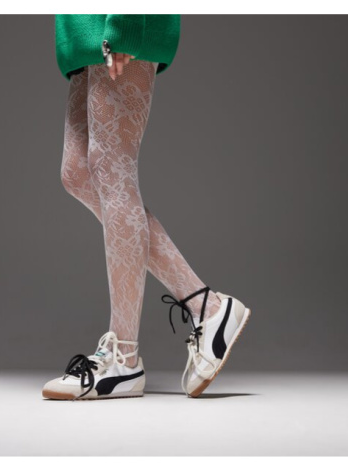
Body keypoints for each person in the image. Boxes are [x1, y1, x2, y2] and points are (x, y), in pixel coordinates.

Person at [42, 14, 251, 401]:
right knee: (78, 174)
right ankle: (208, 308)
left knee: (111, 169)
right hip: (86, 31)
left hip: (115, 22)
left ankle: (124, 357)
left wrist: (125, 24)